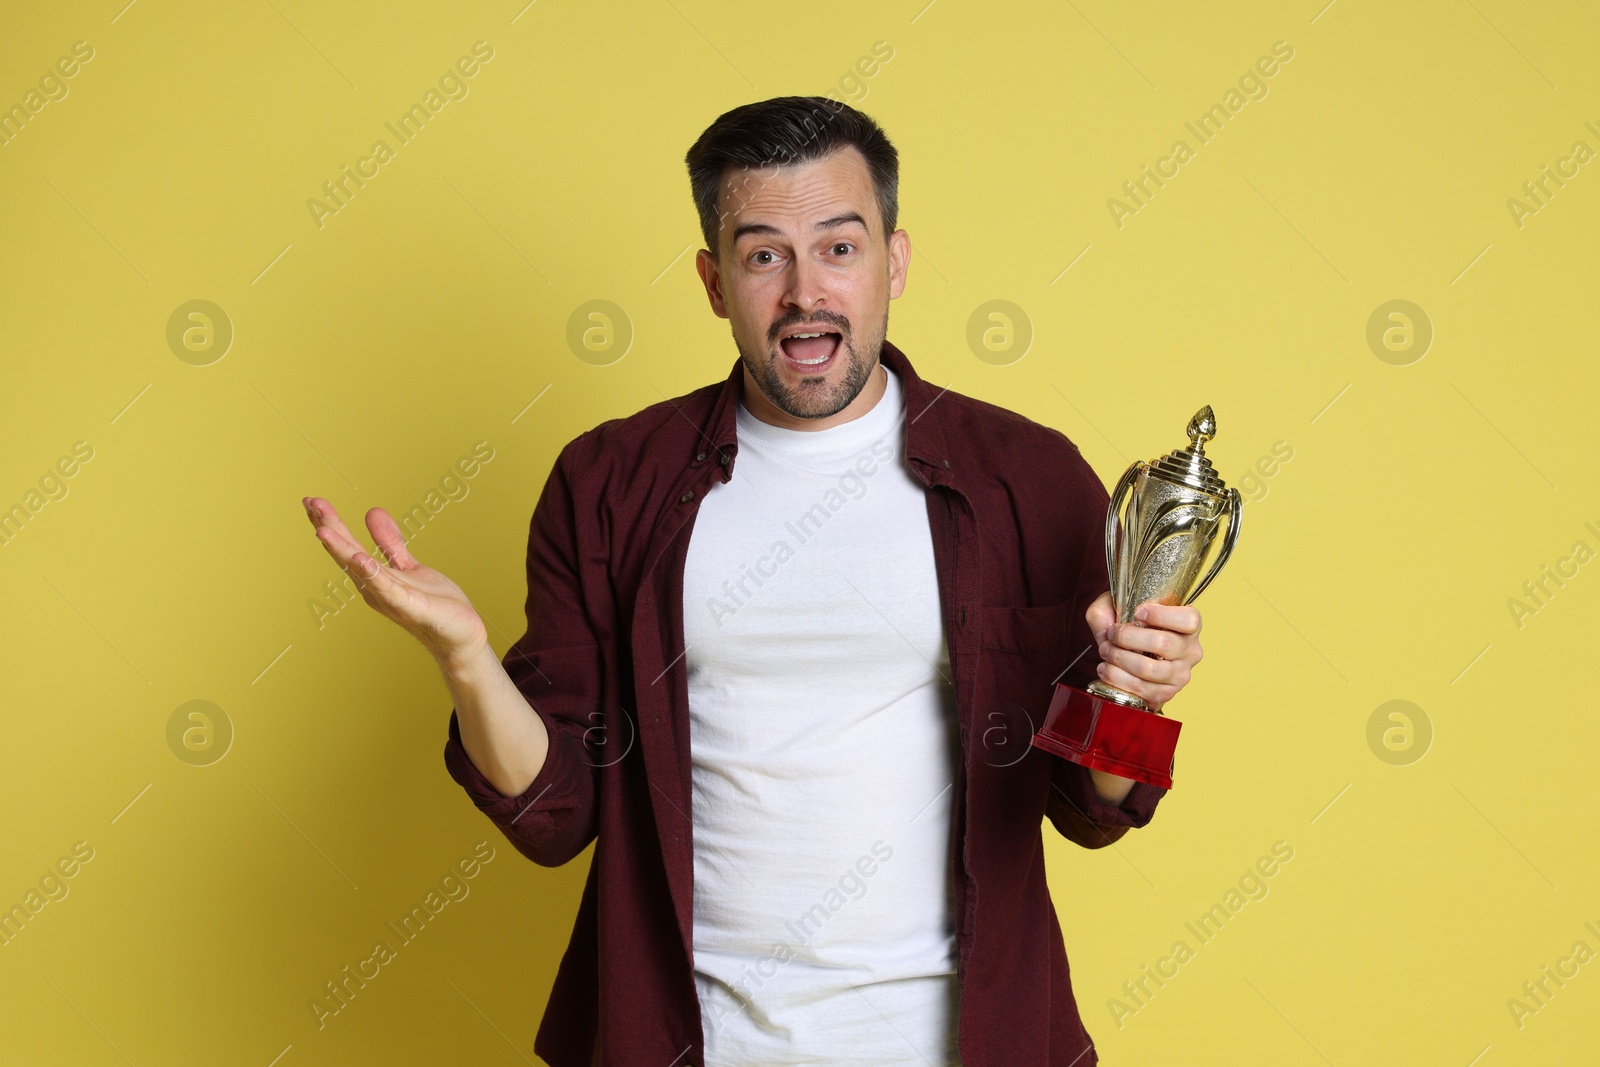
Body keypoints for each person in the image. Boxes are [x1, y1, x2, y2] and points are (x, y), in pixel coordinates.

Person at [302, 96, 1205, 1067]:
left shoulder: (1028, 478)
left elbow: (1092, 804)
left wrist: (1137, 697)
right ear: (712, 279)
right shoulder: (610, 483)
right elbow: (557, 813)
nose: (804, 292)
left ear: (894, 260)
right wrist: (468, 661)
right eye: (763, 253)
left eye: (839, 249)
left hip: (964, 1039)